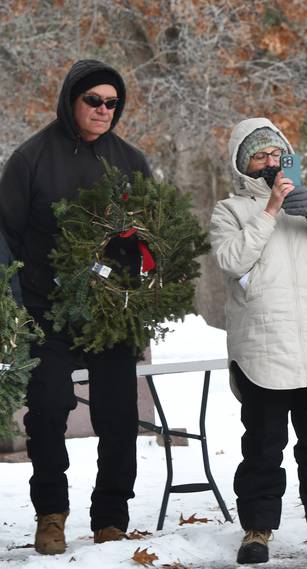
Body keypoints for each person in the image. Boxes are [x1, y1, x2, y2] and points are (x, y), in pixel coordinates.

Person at [0, 60, 151, 555]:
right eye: (94, 100)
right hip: (46, 306)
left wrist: (139, 269)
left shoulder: (129, 160)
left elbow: (154, 229)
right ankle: (51, 514)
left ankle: (111, 515)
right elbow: (5, 233)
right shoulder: (31, 159)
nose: (104, 110)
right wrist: (16, 304)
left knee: (118, 412)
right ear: (71, 101)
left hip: (108, 308)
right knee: (47, 409)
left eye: (112, 103)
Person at [209, 118, 307, 564]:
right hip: (263, 348)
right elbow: (232, 261)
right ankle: (257, 529)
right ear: (242, 164)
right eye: (260, 156)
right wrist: (270, 211)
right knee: (262, 447)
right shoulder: (230, 210)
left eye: (277, 155)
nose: (271, 164)